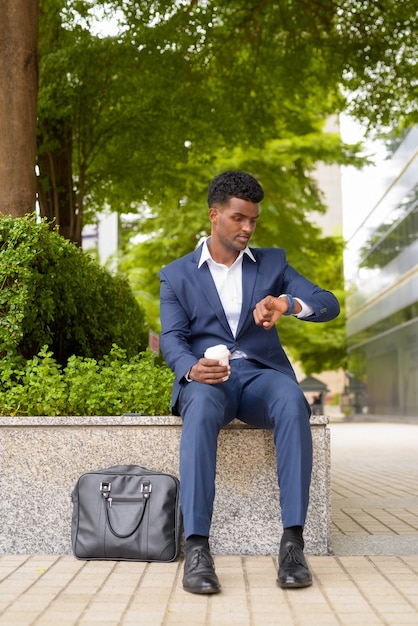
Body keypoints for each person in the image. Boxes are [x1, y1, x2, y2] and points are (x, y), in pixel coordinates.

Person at [159, 170, 340, 594]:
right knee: (200, 407)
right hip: (210, 380)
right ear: (214, 214)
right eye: (239, 218)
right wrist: (189, 369)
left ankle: (293, 543)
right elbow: (172, 337)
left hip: (261, 375)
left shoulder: (272, 263)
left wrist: (287, 303)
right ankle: (198, 548)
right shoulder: (177, 274)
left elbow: (327, 303)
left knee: (293, 401)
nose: (248, 228)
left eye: (253, 220)